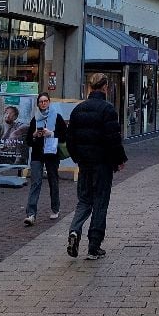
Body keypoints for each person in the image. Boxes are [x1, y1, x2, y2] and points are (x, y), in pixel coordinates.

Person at [66, 74, 127, 260]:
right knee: (100, 202)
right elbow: (113, 139)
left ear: (90, 87)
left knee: (84, 200)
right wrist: (119, 159)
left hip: (85, 163)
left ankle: (75, 230)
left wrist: (78, 157)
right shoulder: (108, 110)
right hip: (102, 164)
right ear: (105, 87)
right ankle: (94, 246)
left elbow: (70, 139)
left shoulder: (78, 110)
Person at [24, 93, 67, 225]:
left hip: (51, 154)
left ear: (49, 102)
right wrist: (34, 135)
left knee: (53, 181)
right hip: (37, 154)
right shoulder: (34, 120)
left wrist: (51, 133)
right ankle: (31, 214)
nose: (43, 103)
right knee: (35, 182)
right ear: (38, 104)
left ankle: (55, 208)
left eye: (45, 101)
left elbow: (65, 136)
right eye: (41, 101)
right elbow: (28, 141)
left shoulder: (57, 117)